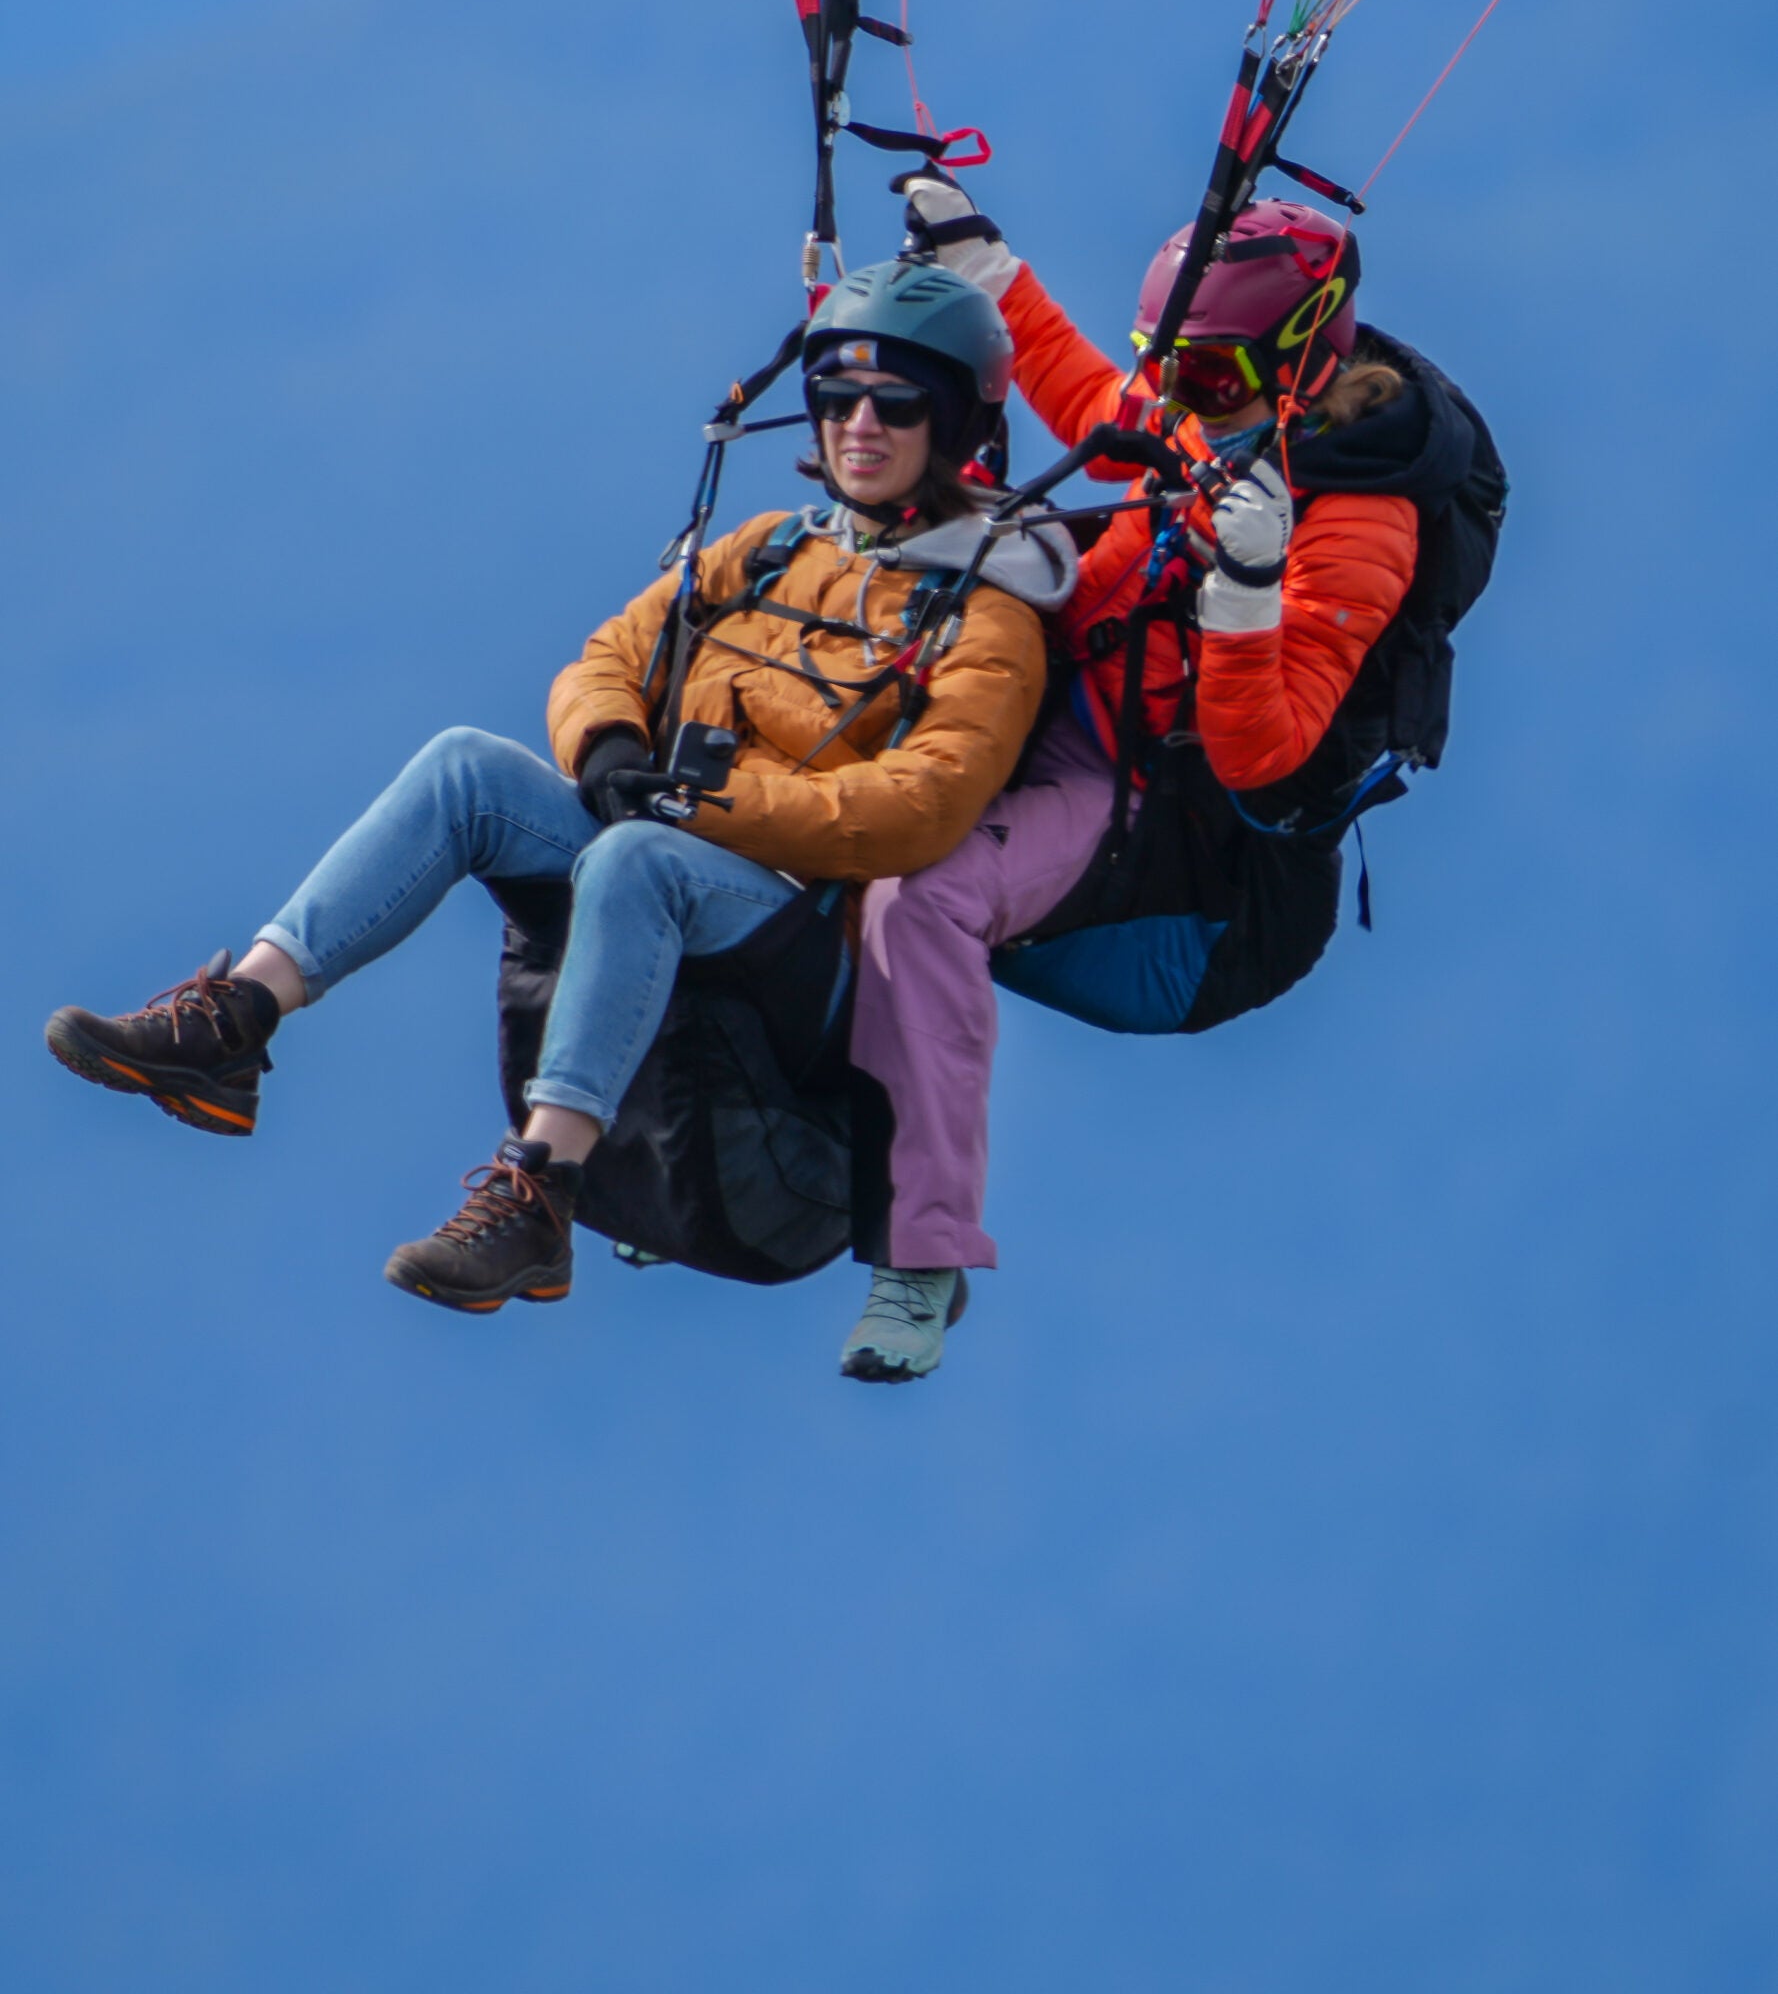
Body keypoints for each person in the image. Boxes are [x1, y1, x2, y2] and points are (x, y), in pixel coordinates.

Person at [45, 257, 1076, 1374]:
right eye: (835, 398)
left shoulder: (987, 613)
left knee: (638, 856)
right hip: (674, 856)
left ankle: (539, 1191)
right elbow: (610, 657)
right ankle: (235, 1021)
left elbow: (920, 808)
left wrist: (710, 804)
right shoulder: (768, 547)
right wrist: (613, 745)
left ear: (958, 418)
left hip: (797, 941)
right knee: (466, 767)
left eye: (895, 403)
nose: (858, 426)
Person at [843, 172, 1502, 1370]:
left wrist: (1247, 592)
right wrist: (987, 268)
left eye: (1208, 379)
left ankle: (912, 1254)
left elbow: (1267, 749)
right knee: (802, 761)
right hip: (1080, 733)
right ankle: (696, 1126)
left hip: (1196, 901)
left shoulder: (1357, 522)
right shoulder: (1232, 404)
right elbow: (1111, 411)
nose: (1186, 399)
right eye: (1176, 364)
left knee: (905, 890)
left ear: (1297, 359)